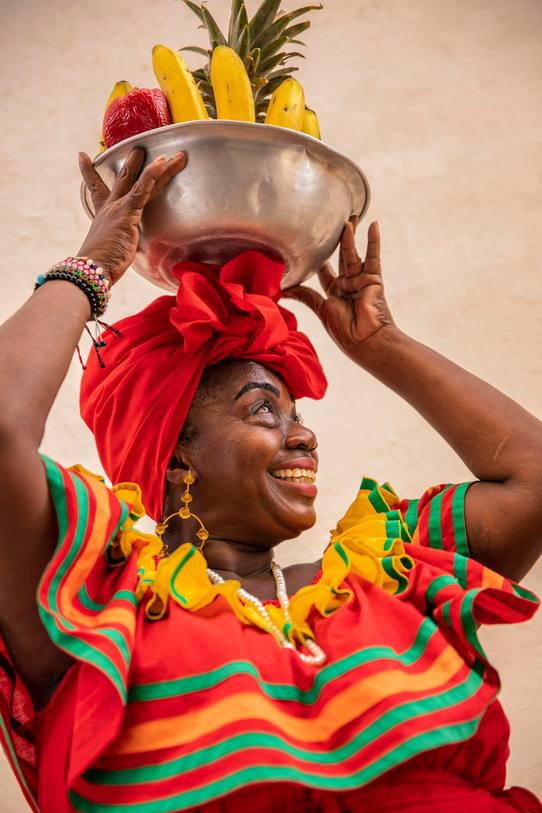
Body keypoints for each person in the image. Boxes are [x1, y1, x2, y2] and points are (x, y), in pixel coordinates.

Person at [0, 145, 541, 813]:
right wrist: (88, 270)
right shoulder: (97, 614)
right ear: (175, 460)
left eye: (298, 413)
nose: (305, 434)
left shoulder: (394, 578)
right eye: (263, 408)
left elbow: (533, 479)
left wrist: (383, 344)